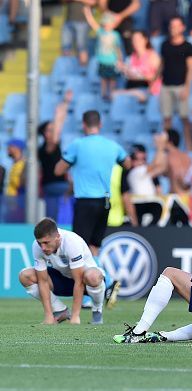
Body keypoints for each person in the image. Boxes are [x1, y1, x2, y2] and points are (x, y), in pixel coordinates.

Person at [55, 110, 131, 281]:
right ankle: (105, 282)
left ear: (83, 124)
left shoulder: (78, 145)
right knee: (94, 247)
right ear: (100, 124)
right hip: (104, 202)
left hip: (85, 201)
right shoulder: (112, 145)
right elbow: (127, 163)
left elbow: (58, 169)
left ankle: (101, 285)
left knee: (80, 250)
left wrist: (73, 164)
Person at [18, 218, 107, 325]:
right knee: (25, 276)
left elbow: (78, 282)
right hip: (63, 281)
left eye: (46, 243)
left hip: (86, 283)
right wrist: (48, 316)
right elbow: (43, 282)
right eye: (40, 243)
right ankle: (60, 311)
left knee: (92, 276)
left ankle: (97, 310)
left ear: (57, 237)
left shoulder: (71, 242)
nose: (43, 248)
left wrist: (75, 317)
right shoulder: (37, 246)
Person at [160, 17, 192, 152]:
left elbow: (191, 68)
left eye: (176, 26)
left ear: (182, 28)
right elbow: (162, 64)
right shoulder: (164, 45)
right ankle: (166, 148)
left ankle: (189, 148)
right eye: (171, 26)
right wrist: (154, 80)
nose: (173, 29)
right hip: (166, 86)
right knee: (166, 119)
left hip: (181, 86)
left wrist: (187, 87)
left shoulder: (188, 46)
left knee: (185, 119)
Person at [38, 91, 71, 220]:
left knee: (56, 217)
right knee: (54, 219)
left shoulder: (50, 146)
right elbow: (58, 128)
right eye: (49, 130)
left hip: (57, 186)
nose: (53, 132)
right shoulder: (46, 148)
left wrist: (65, 104)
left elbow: (59, 126)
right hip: (53, 186)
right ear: (44, 133)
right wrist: (59, 112)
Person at [83, 7, 123, 100]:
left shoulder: (115, 35)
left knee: (113, 79)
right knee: (103, 79)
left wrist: (120, 59)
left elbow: (118, 48)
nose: (107, 26)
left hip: (113, 61)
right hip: (103, 61)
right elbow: (92, 23)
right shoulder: (100, 32)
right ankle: (103, 94)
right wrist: (88, 13)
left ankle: (112, 94)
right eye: (105, 24)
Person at [113, 30, 161, 102]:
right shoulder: (131, 57)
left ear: (145, 40)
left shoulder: (153, 56)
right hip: (132, 88)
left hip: (148, 89)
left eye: (138, 39)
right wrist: (124, 69)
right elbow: (128, 75)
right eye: (134, 39)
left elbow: (156, 76)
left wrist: (139, 76)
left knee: (120, 95)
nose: (136, 42)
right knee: (114, 95)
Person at [62, 0, 93, 66]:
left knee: (82, 47)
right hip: (68, 20)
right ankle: (67, 69)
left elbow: (93, 2)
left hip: (83, 21)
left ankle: (83, 70)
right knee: (66, 47)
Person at [165, 129, 192, 194]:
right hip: (189, 194)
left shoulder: (169, 157)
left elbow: (179, 176)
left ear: (169, 142)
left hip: (177, 195)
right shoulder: (187, 156)